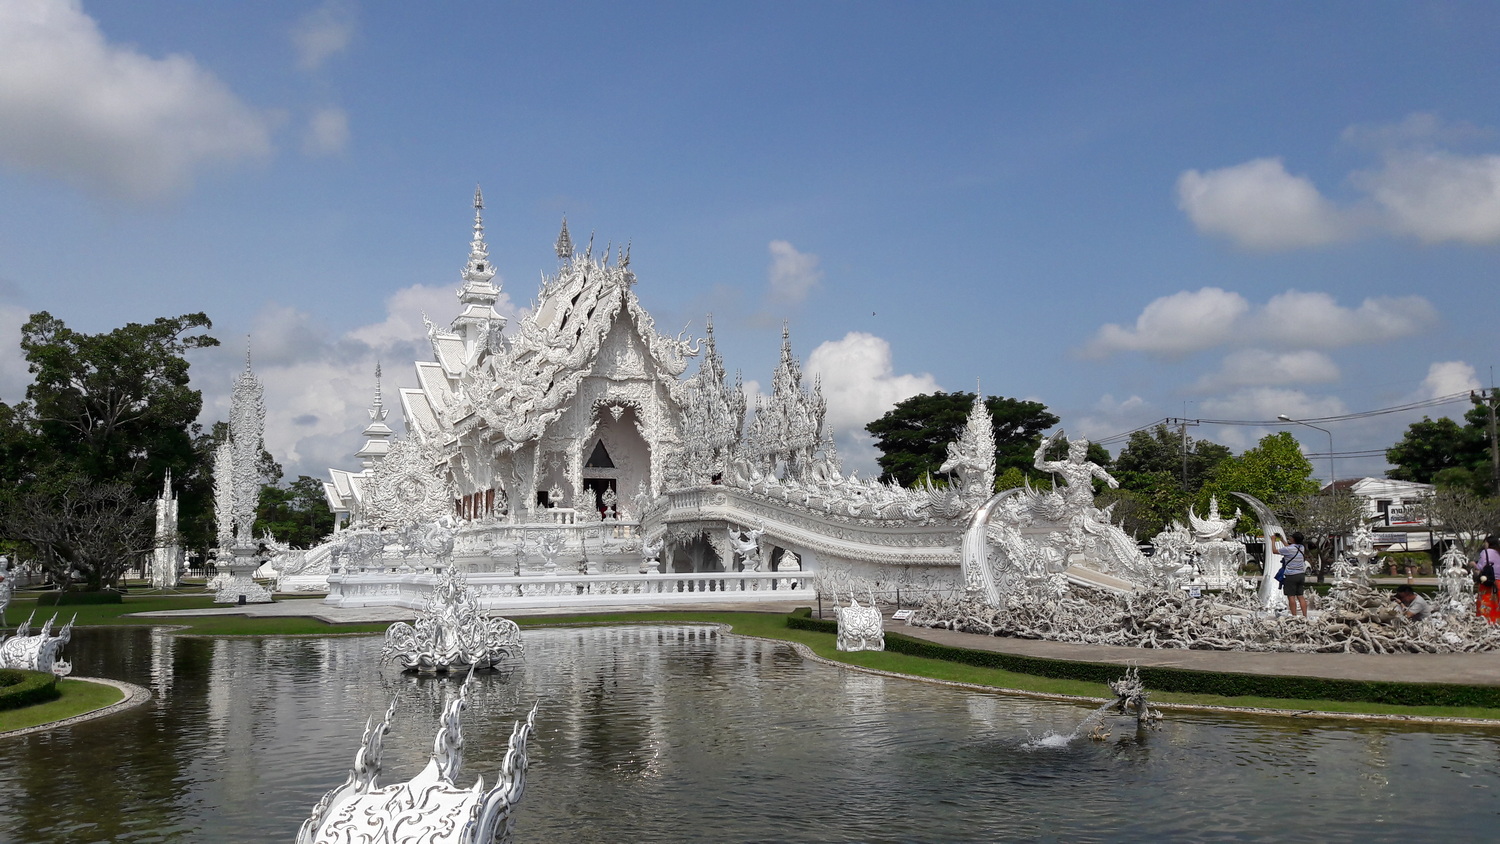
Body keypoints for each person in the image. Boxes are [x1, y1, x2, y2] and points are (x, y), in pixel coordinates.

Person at [1271, 531, 1309, 617]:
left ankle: (1294, 616)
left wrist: (1273, 540)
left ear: (1294, 539)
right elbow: (1290, 548)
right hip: (1301, 575)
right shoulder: (1301, 547)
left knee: (1291, 596)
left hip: (1291, 575)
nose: (1290, 538)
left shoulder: (1288, 549)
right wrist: (1282, 540)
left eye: (1291, 537)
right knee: (1300, 596)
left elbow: (1274, 551)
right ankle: (1304, 616)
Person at [1474, 536, 1500, 624]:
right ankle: (1496, 622)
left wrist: (1473, 564)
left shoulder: (1485, 552)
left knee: (1485, 603)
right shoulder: (1498, 552)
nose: (1484, 544)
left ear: (1488, 543)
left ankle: (1486, 623)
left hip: (1488, 581)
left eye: (1485, 542)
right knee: (1496, 604)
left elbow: (1480, 567)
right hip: (1499, 582)